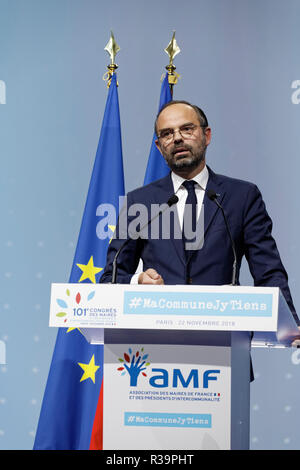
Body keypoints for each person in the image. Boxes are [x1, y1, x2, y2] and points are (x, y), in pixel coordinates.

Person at [100, 100, 299, 328]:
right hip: (156, 344)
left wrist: (288, 324)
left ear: (207, 135)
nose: (177, 138)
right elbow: (111, 278)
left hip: (224, 340)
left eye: (187, 129)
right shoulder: (141, 202)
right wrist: (138, 281)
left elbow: (268, 271)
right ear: (158, 146)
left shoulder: (242, 196)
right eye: (167, 133)